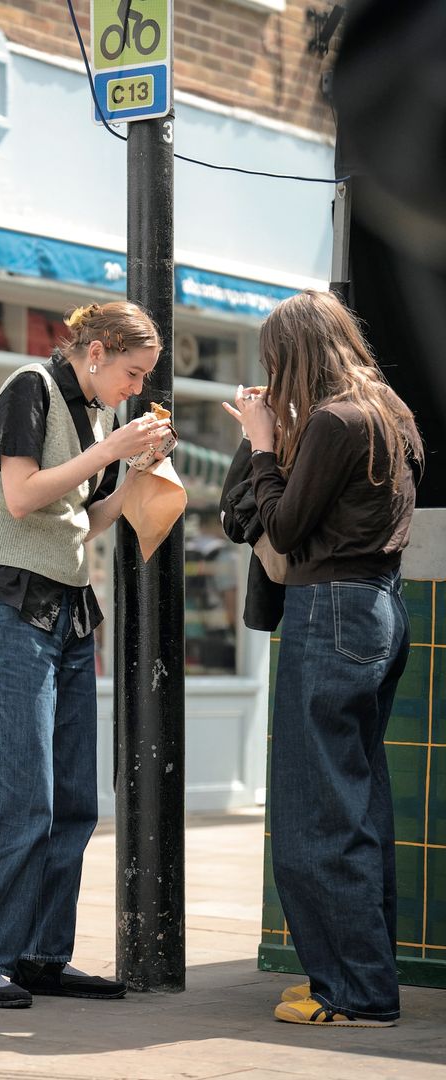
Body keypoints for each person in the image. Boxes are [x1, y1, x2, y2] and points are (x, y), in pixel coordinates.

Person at [0, 300, 172, 1009]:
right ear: (96, 351)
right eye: (131, 372)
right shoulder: (28, 388)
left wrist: (133, 477)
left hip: (69, 614)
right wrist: (107, 453)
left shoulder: (97, 418)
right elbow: (20, 498)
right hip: (12, 609)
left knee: (73, 801)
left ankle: (40, 954)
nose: (133, 389)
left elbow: (79, 521)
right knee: (20, 799)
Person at [222, 290, 423, 1028]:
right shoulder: (391, 413)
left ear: (295, 354)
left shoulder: (336, 423)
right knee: (356, 805)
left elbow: (282, 522)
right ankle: (361, 981)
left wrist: (265, 443)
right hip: (378, 610)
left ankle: (351, 992)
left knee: (316, 812)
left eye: (276, 357)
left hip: (331, 609)